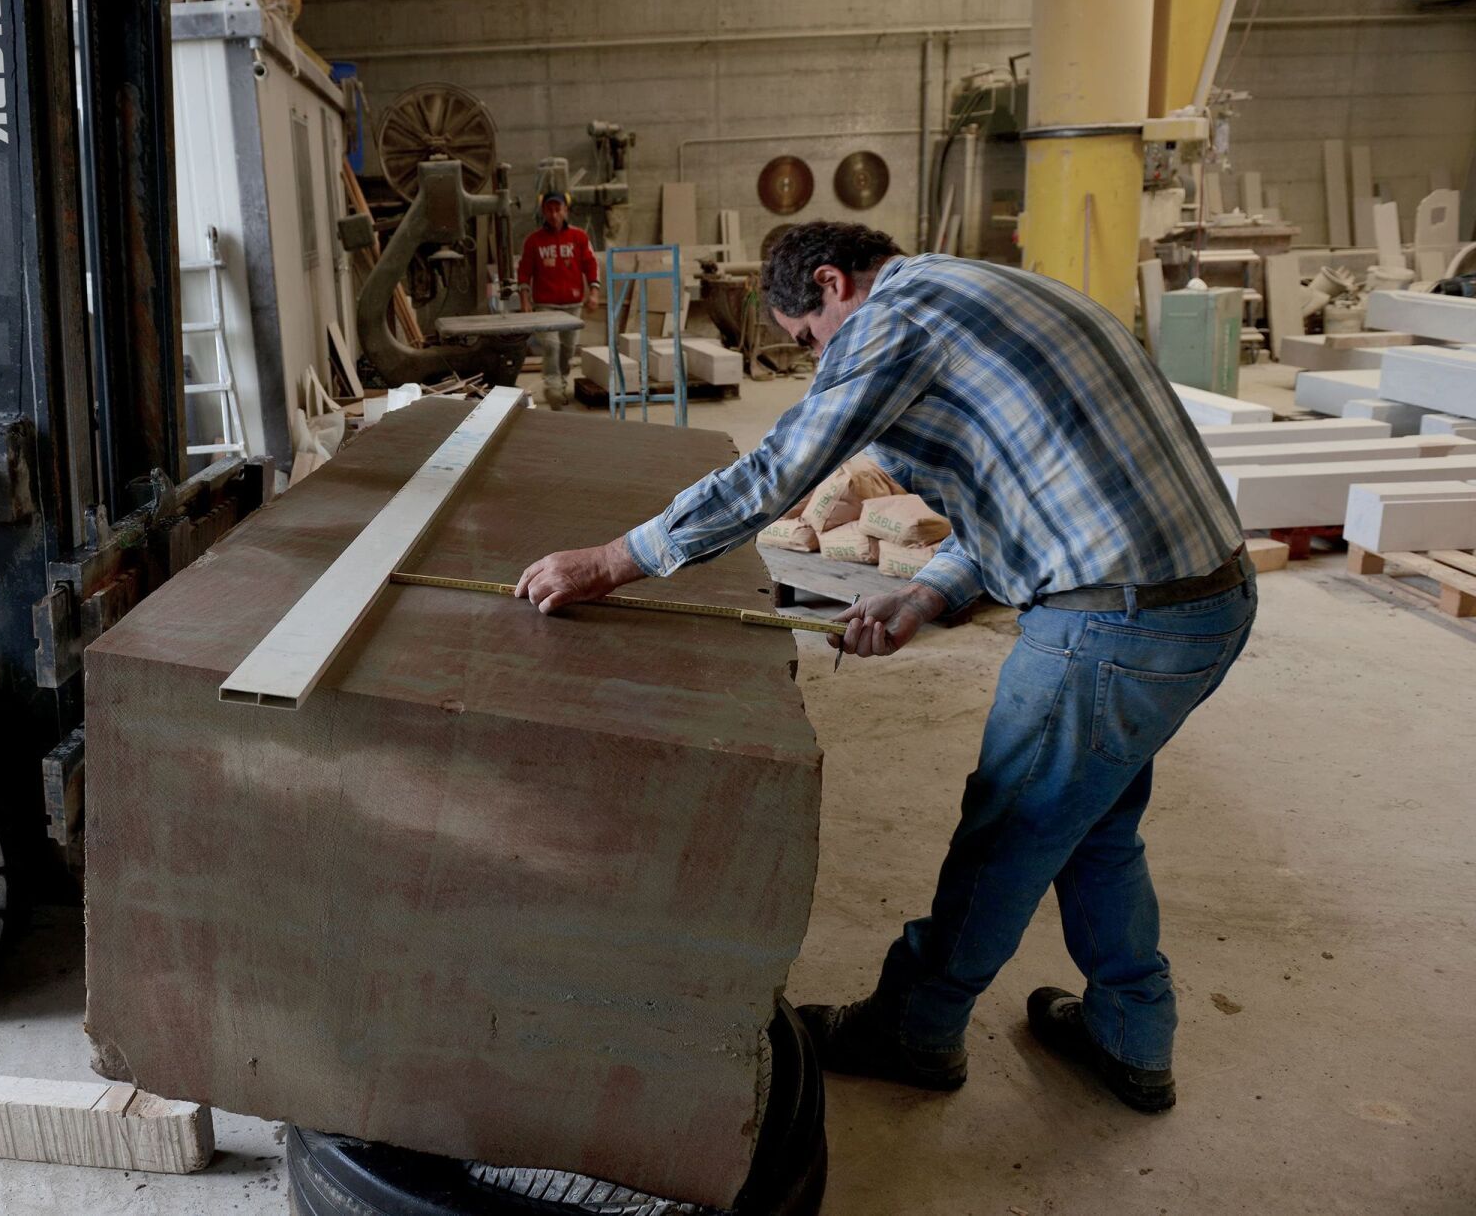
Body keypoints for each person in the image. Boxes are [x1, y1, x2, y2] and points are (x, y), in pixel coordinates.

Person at [514, 221, 1255, 1114]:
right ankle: (1134, 1035)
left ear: (832, 285)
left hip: (1118, 620)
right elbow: (1017, 488)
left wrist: (611, 561)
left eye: (804, 338)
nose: (813, 358)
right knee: (1092, 824)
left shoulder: (891, 321)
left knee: (1009, 834)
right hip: (1200, 603)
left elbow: (779, 468)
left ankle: (915, 1030)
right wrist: (926, 593)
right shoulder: (977, 290)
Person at [517, 191, 600, 409]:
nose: (554, 214)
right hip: (545, 305)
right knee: (552, 345)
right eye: (549, 209)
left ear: (565, 210)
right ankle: (553, 387)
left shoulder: (579, 237)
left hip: (572, 306)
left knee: (568, 348)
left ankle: (561, 383)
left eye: (558, 209)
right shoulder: (533, 241)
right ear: (543, 211)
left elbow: (591, 265)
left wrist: (594, 292)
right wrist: (524, 300)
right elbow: (524, 272)